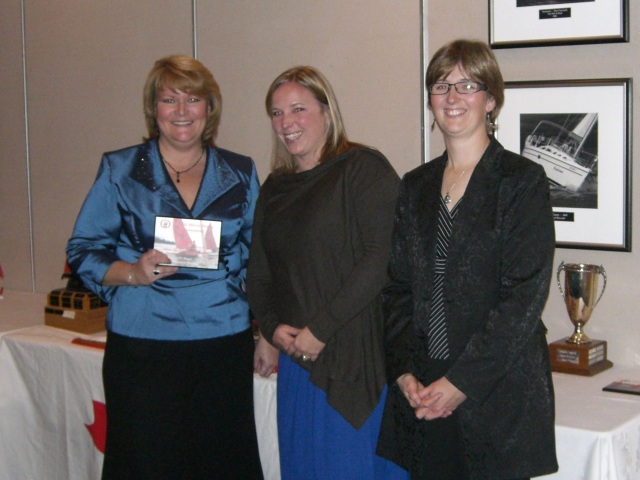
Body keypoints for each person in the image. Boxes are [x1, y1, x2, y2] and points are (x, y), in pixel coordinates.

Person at [66, 55, 263, 480]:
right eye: (169, 99)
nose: (181, 111)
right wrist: (132, 272)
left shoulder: (241, 171)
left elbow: (260, 256)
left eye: (192, 99)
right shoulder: (120, 169)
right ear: (153, 108)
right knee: (145, 462)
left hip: (222, 340)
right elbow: (83, 249)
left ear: (209, 108)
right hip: (143, 343)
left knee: (221, 462)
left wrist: (261, 325)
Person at [376, 39, 559, 479]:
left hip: (494, 390)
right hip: (422, 388)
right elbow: (396, 289)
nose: (453, 97)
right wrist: (403, 372)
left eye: (467, 85)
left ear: (491, 99)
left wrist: (460, 383)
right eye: (441, 86)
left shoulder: (522, 182)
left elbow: (523, 299)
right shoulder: (414, 185)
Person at [247, 66, 408, 480]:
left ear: (326, 110)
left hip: (353, 360)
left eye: (298, 109)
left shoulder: (361, 168)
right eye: (277, 113)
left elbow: (381, 258)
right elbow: (259, 272)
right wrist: (269, 327)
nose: (287, 123)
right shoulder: (275, 187)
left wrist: (320, 330)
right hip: (298, 365)